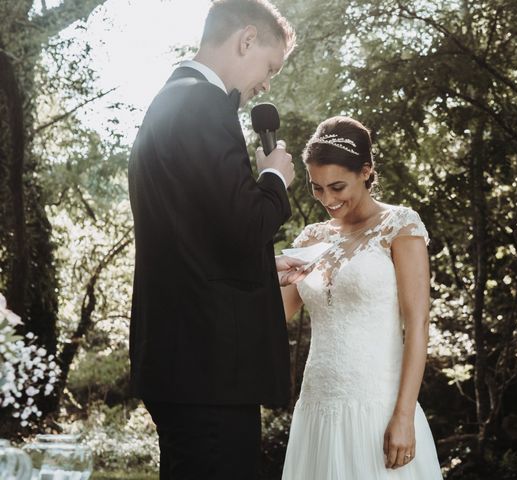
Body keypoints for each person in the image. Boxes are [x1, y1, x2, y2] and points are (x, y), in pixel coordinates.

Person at [127, 1, 301, 478]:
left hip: (180, 358)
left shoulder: (170, 100)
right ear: (246, 40)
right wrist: (274, 179)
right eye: (270, 67)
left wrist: (269, 271)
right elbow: (245, 226)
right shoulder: (204, 104)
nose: (266, 84)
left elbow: (204, 238)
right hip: (209, 368)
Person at [280, 116, 443, 479]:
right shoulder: (311, 238)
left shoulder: (400, 225)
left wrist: (404, 414)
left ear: (366, 171)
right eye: (317, 188)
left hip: (378, 406)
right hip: (316, 407)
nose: (328, 199)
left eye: (337, 186)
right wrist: (267, 268)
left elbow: (417, 325)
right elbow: (273, 317)